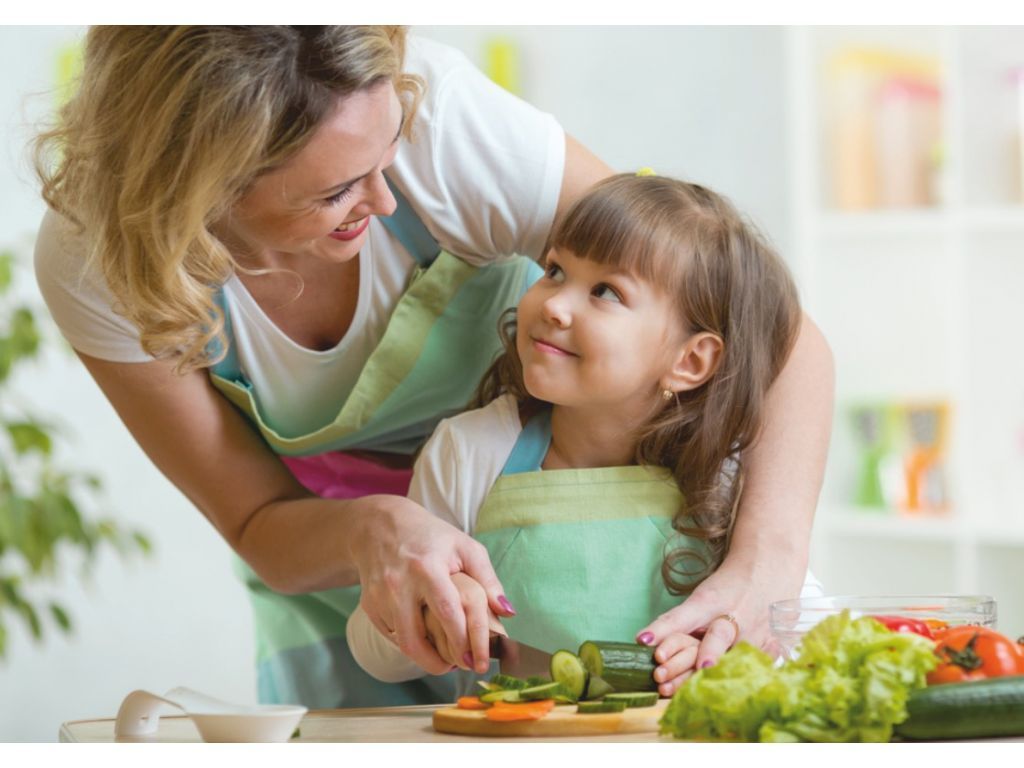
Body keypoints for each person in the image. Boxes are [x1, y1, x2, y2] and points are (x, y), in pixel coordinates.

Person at [32, 26, 833, 708]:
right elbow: (257, 524)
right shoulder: (100, 258)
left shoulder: (440, 124)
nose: (385, 204)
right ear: (201, 188)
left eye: (387, 158)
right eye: (338, 190)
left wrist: (766, 571)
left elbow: (773, 335)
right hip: (335, 583)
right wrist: (381, 528)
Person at [347, 173, 825, 697]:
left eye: (606, 292)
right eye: (554, 270)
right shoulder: (470, 452)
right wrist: (432, 604)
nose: (553, 303)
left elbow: (807, 630)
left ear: (690, 361)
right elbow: (376, 656)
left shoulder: (727, 477)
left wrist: (728, 652)